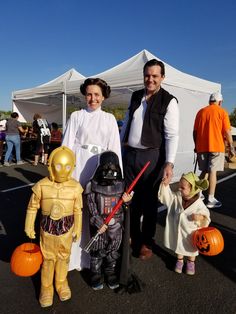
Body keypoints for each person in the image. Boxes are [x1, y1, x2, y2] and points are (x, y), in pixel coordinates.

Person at [120, 59, 179, 260]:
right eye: (147, 75)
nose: (150, 79)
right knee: (131, 200)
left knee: (149, 203)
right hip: (131, 156)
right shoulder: (136, 96)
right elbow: (127, 121)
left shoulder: (169, 101)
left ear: (162, 77)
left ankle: (147, 242)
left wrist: (169, 163)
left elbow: (172, 135)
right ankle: (133, 237)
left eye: (155, 76)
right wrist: (120, 146)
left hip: (152, 157)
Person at [62, 78, 122, 271]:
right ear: (84, 95)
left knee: (97, 211)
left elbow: (114, 149)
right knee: (78, 209)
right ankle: (73, 259)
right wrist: (64, 172)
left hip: (102, 169)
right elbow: (66, 146)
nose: (93, 98)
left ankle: (93, 258)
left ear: (103, 96)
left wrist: (117, 177)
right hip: (79, 165)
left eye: (97, 94)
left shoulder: (109, 119)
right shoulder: (77, 116)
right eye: (89, 94)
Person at [24, 146, 83, 308]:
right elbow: (32, 207)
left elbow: (78, 210)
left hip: (66, 228)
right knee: (48, 259)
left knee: (64, 258)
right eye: (58, 166)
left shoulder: (75, 187)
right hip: (47, 229)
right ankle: (46, 287)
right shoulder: (42, 185)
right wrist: (29, 225)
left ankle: (61, 283)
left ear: (72, 167)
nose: (63, 171)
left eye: (67, 167)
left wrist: (78, 228)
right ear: (50, 165)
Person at [85, 151, 133, 290]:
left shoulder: (122, 185)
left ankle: (110, 272)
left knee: (113, 251)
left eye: (113, 169)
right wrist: (97, 221)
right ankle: (95, 274)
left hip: (116, 225)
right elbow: (91, 205)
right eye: (106, 168)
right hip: (100, 226)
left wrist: (126, 202)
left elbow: (126, 207)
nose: (110, 172)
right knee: (98, 251)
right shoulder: (92, 185)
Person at [158, 172, 210, 275]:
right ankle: (180, 260)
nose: (179, 189)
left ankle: (191, 262)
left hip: (191, 233)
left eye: (183, 188)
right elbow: (167, 197)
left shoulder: (198, 203)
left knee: (191, 249)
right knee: (179, 245)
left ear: (193, 189)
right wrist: (165, 185)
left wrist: (199, 217)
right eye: (179, 186)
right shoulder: (177, 197)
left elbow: (206, 215)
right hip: (179, 231)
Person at [193, 92, 235, 209]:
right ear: (220, 102)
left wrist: (196, 146)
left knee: (204, 171)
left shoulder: (200, 112)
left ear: (209, 101)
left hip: (201, 147)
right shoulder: (222, 112)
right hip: (216, 147)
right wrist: (231, 147)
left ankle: (199, 194)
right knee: (212, 171)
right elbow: (227, 131)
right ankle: (211, 199)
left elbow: (195, 132)